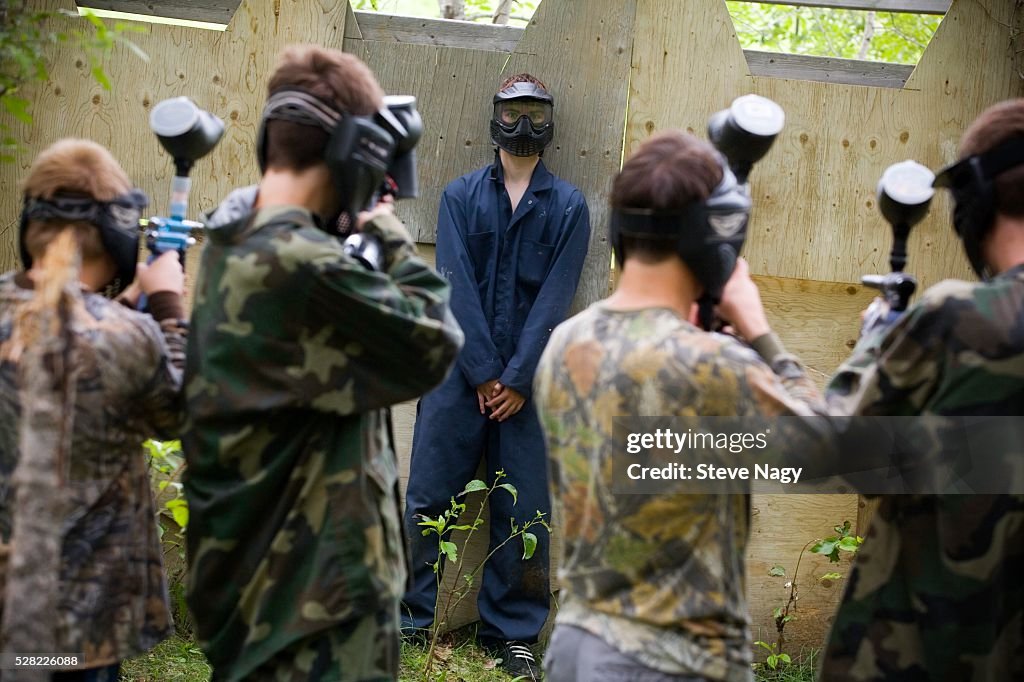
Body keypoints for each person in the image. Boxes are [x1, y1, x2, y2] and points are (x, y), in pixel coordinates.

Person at [182, 45, 463, 681]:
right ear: (354, 154)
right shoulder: (301, 267)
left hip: (261, 593)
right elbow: (434, 341)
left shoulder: (238, 238)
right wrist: (384, 225)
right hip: (312, 609)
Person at [534, 129, 826, 682]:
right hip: (671, 660)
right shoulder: (714, 366)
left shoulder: (566, 343)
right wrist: (760, 334)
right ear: (715, 238)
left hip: (576, 647)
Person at [810, 100, 1024, 680]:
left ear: (973, 200)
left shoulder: (958, 316)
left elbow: (848, 454)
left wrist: (874, 345)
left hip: (933, 651)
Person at [401, 73, 590, 678]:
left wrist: (516, 378)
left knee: (527, 509)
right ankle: (410, 619)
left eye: (535, 111)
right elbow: (452, 285)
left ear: (550, 120)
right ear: (494, 119)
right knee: (429, 495)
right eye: (512, 113)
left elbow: (555, 298)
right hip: (459, 372)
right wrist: (484, 374)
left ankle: (510, 633)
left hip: (528, 385)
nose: (523, 125)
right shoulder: (460, 196)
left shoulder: (568, 206)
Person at [0, 138, 186, 680]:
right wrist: (169, 308)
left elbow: (64, 335)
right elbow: (181, 411)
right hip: (75, 640)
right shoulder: (129, 338)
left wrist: (127, 308)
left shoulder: (117, 332)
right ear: (118, 234)